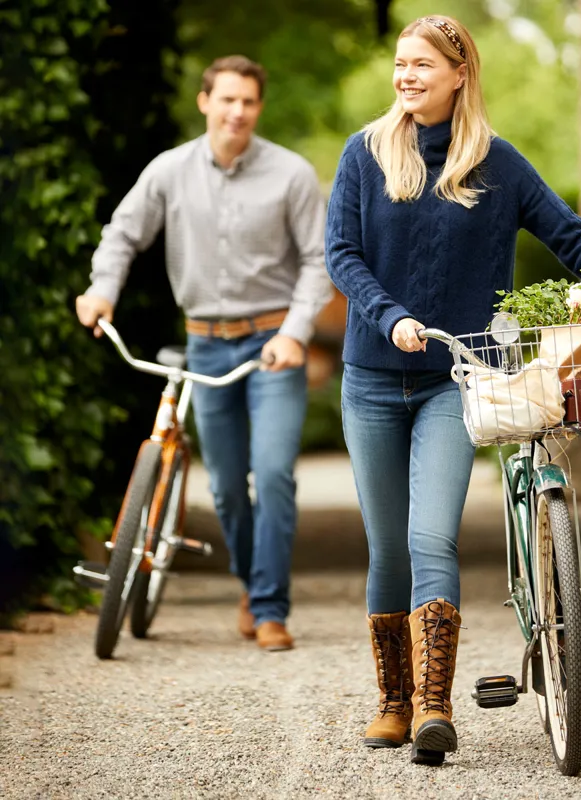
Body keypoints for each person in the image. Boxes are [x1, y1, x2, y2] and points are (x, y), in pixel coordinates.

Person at [325, 15, 581, 765]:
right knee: (388, 547)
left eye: (422, 65)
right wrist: (391, 317)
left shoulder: (499, 165)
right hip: (373, 379)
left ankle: (435, 710)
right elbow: (342, 255)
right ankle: (393, 701)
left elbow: (572, 237)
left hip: (460, 378)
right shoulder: (365, 153)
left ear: (458, 73)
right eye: (400, 63)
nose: (406, 76)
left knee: (430, 536)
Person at [76, 55, 332, 652]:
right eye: (227, 100)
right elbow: (122, 233)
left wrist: (295, 331)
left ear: (258, 107)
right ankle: (251, 583)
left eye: (248, 101)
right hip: (205, 345)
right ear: (205, 102)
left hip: (274, 345)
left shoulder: (291, 174)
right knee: (222, 487)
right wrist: (102, 290)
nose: (237, 111)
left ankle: (269, 608)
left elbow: (320, 261)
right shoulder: (169, 171)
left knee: (270, 475)